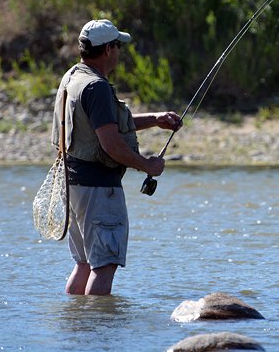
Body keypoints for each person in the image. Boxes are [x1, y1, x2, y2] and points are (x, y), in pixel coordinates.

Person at [51, 19, 181, 295]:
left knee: (85, 264)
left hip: (72, 185)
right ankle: (99, 334)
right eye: (118, 46)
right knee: (104, 264)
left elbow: (103, 124)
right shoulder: (96, 87)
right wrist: (148, 165)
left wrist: (155, 119)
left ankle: (78, 329)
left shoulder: (73, 77)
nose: (120, 52)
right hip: (98, 190)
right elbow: (110, 143)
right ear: (108, 49)